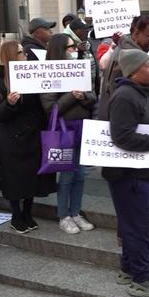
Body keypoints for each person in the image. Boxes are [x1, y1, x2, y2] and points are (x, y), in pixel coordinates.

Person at [102, 49, 149, 297]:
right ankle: (140, 279)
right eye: (146, 66)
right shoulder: (125, 96)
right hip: (129, 175)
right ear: (133, 71)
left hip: (137, 172)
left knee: (132, 225)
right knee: (138, 228)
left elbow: (143, 123)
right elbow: (122, 137)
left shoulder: (139, 93)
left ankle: (129, 269)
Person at [0, 41, 56, 234]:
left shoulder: (31, 73)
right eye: (20, 52)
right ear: (11, 55)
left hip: (33, 134)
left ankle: (27, 213)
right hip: (12, 138)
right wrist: (8, 103)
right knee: (14, 179)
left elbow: (39, 105)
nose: (25, 55)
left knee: (32, 177)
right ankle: (16, 215)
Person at [40, 34, 97, 234]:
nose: (74, 51)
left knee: (81, 174)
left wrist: (82, 96)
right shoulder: (50, 73)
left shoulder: (80, 69)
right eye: (70, 48)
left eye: (74, 48)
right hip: (64, 130)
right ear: (59, 50)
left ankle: (76, 212)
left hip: (82, 128)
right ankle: (64, 215)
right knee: (66, 175)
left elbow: (92, 98)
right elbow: (50, 107)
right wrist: (71, 96)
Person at [98, 15, 149, 120]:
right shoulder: (128, 56)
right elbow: (116, 90)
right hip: (122, 119)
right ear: (136, 33)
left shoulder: (126, 50)